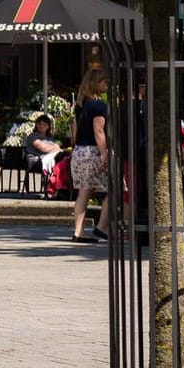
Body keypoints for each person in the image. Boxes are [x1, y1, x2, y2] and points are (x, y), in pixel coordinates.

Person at [71, 68, 111, 242]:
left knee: (83, 193)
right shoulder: (98, 105)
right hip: (93, 151)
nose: (107, 85)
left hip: (79, 151)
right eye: (104, 81)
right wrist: (104, 154)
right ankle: (101, 227)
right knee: (116, 189)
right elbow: (99, 131)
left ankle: (78, 231)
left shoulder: (80, 104)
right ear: (96, 83)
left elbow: (73, 130)